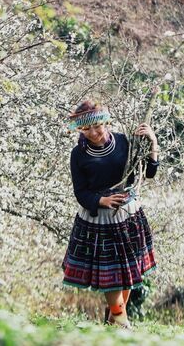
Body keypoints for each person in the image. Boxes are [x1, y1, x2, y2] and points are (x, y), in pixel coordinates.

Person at [61, 99, 159, 327]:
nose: (93, 133)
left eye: (97, 126)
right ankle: (122, 322)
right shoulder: (78, 155)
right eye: (86, 129)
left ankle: (114, 321)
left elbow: (150, 172)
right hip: (98, 221)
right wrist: (101, 200)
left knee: (126, 273)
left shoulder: (125, 142)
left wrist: (152, 141)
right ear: (80, 130)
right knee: (111, 276)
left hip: (128, 216)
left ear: (106, 122)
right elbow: (81, 192)